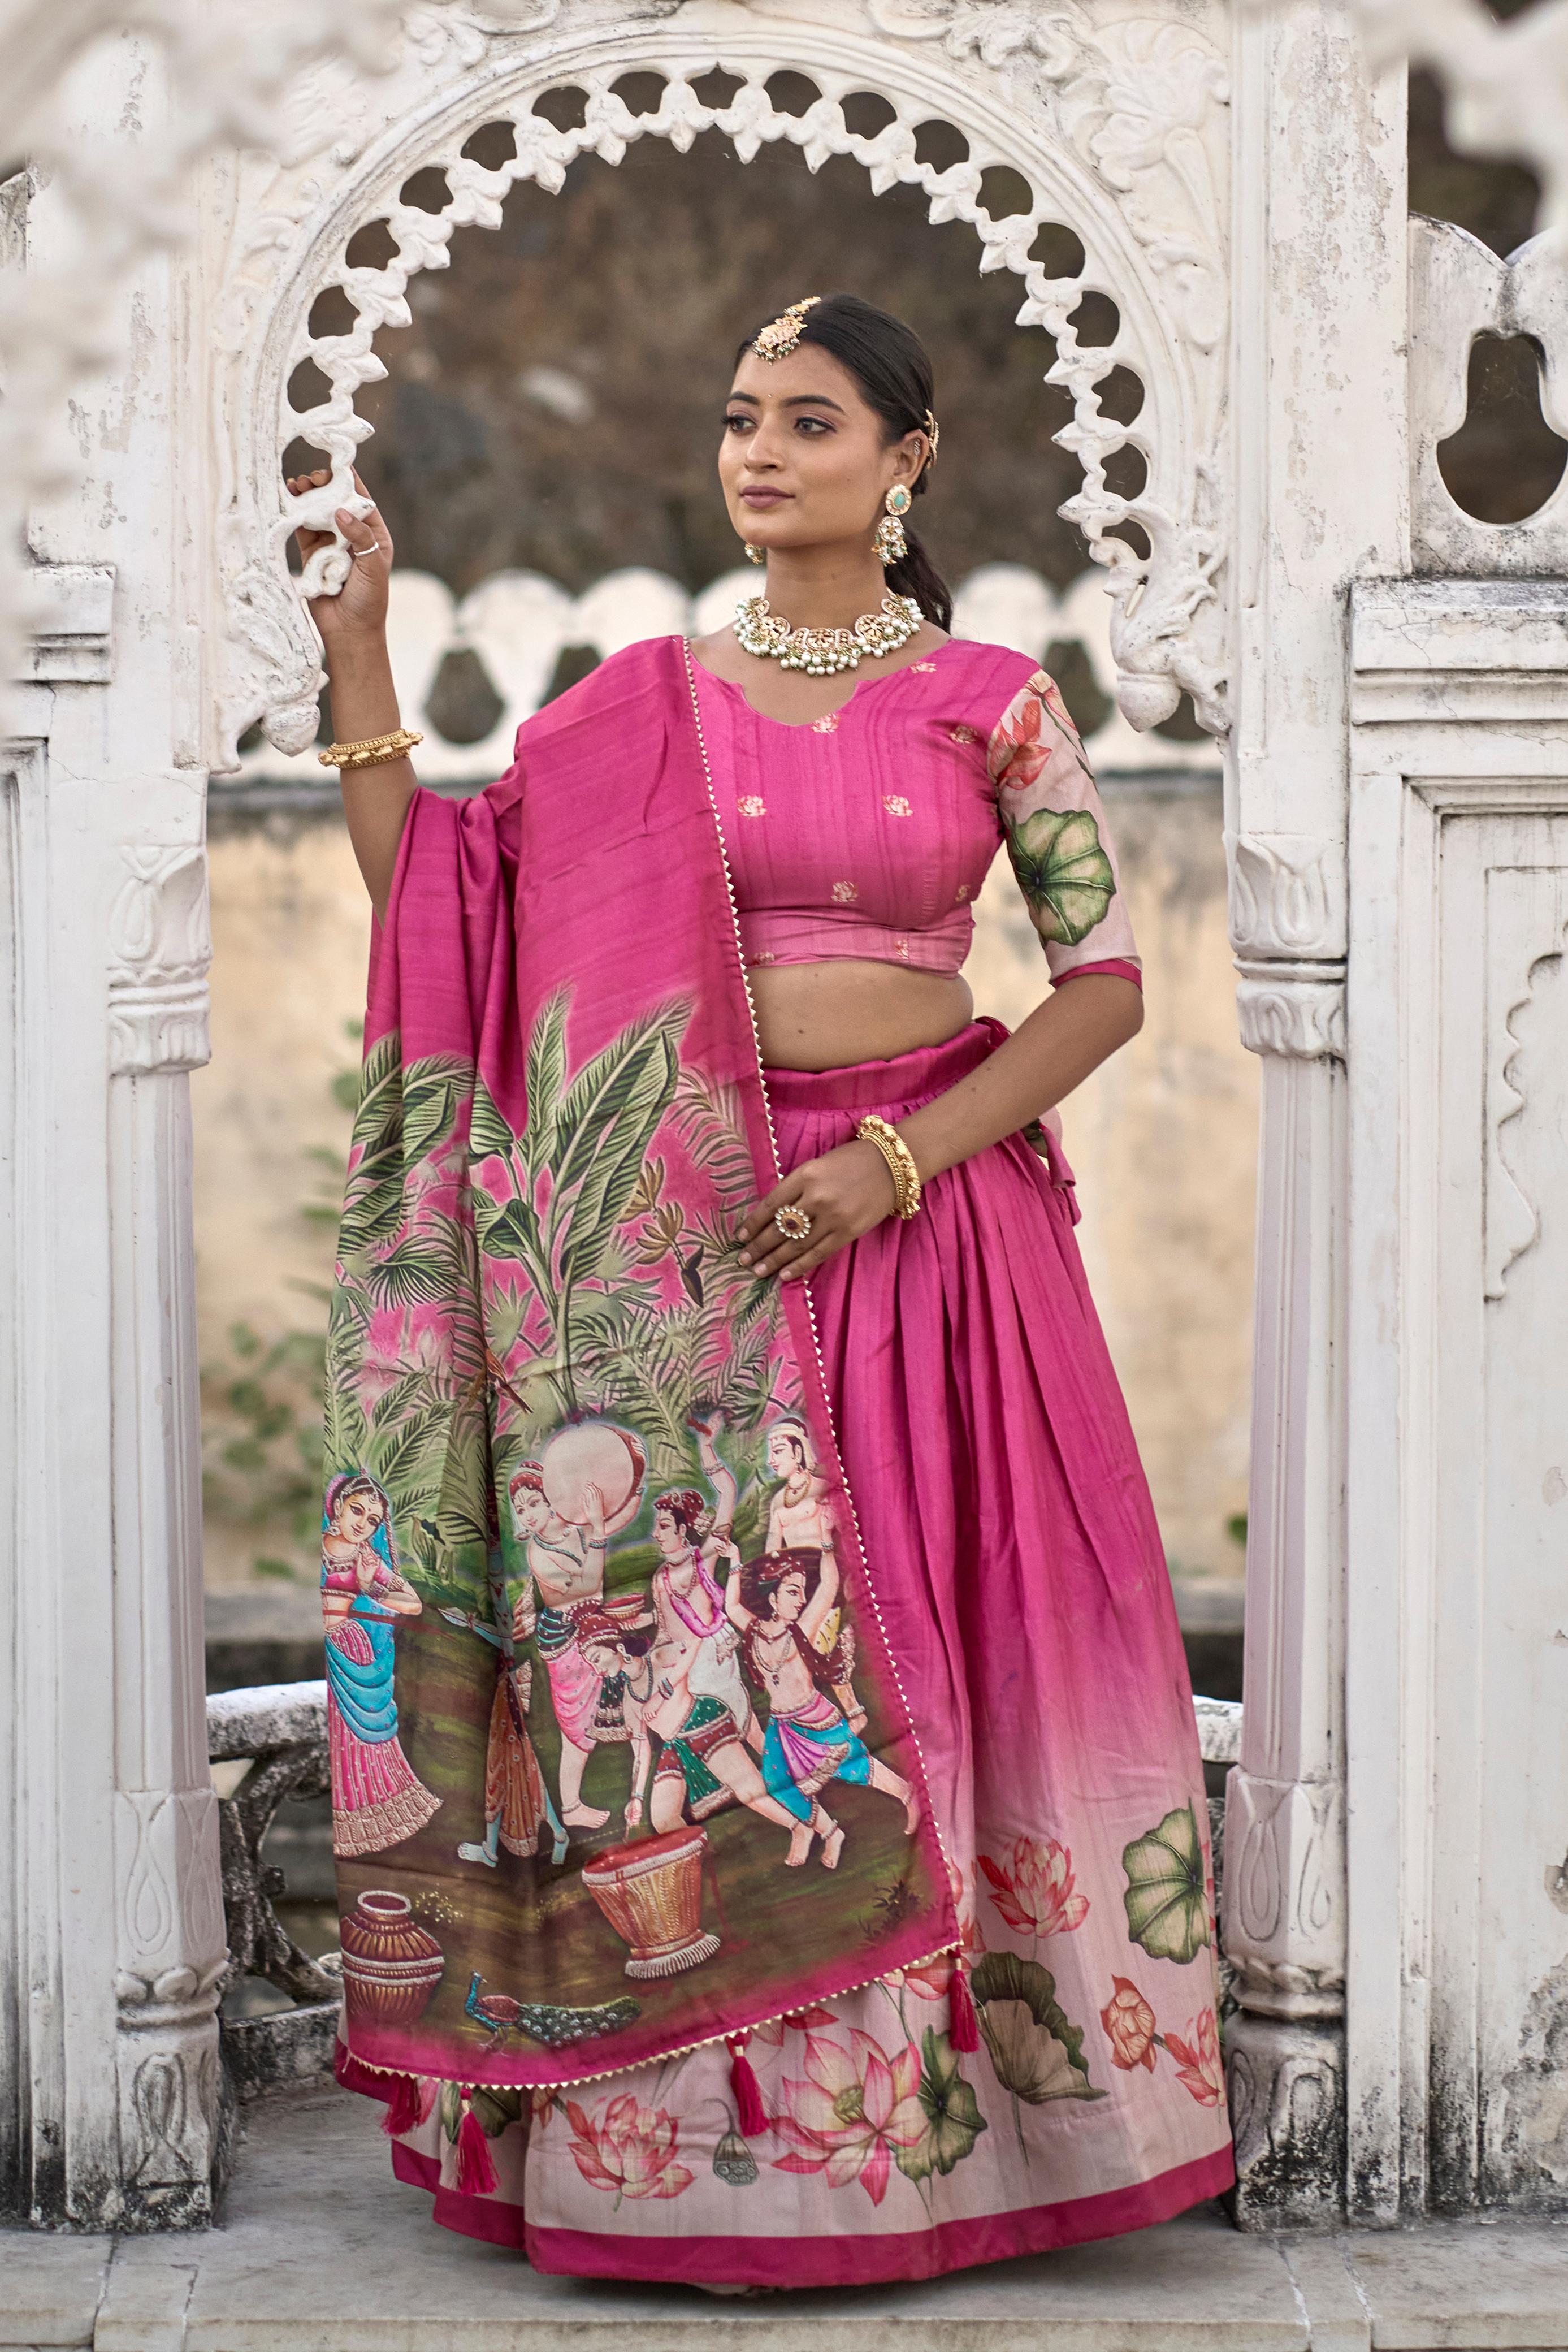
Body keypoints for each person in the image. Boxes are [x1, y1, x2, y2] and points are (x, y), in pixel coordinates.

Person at [299, 291, 1232, 2286]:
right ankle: (697, 2159)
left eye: (807, 422)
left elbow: (1103, 984)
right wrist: (362, 643)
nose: (757, 454)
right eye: (739, 419)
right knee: (715, 1697)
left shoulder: (992, 698)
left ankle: (974, 2143)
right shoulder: (641, 706)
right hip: (693, 1266)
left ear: (903, 461)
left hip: (936, 1239)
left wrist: (897, 1164)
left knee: (939, 1645)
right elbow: (440, 909)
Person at [319, 1473, 440, 1858]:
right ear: (338, 1507)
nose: (362, 1523)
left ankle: (374, 1821)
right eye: (357, 1510)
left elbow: (413, 1605)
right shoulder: (320, 1548)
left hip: (352, 1652)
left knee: (357, 1740)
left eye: (372, 1520)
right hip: (331, 1651)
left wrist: (372, 1588)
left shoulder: (366, 1559)